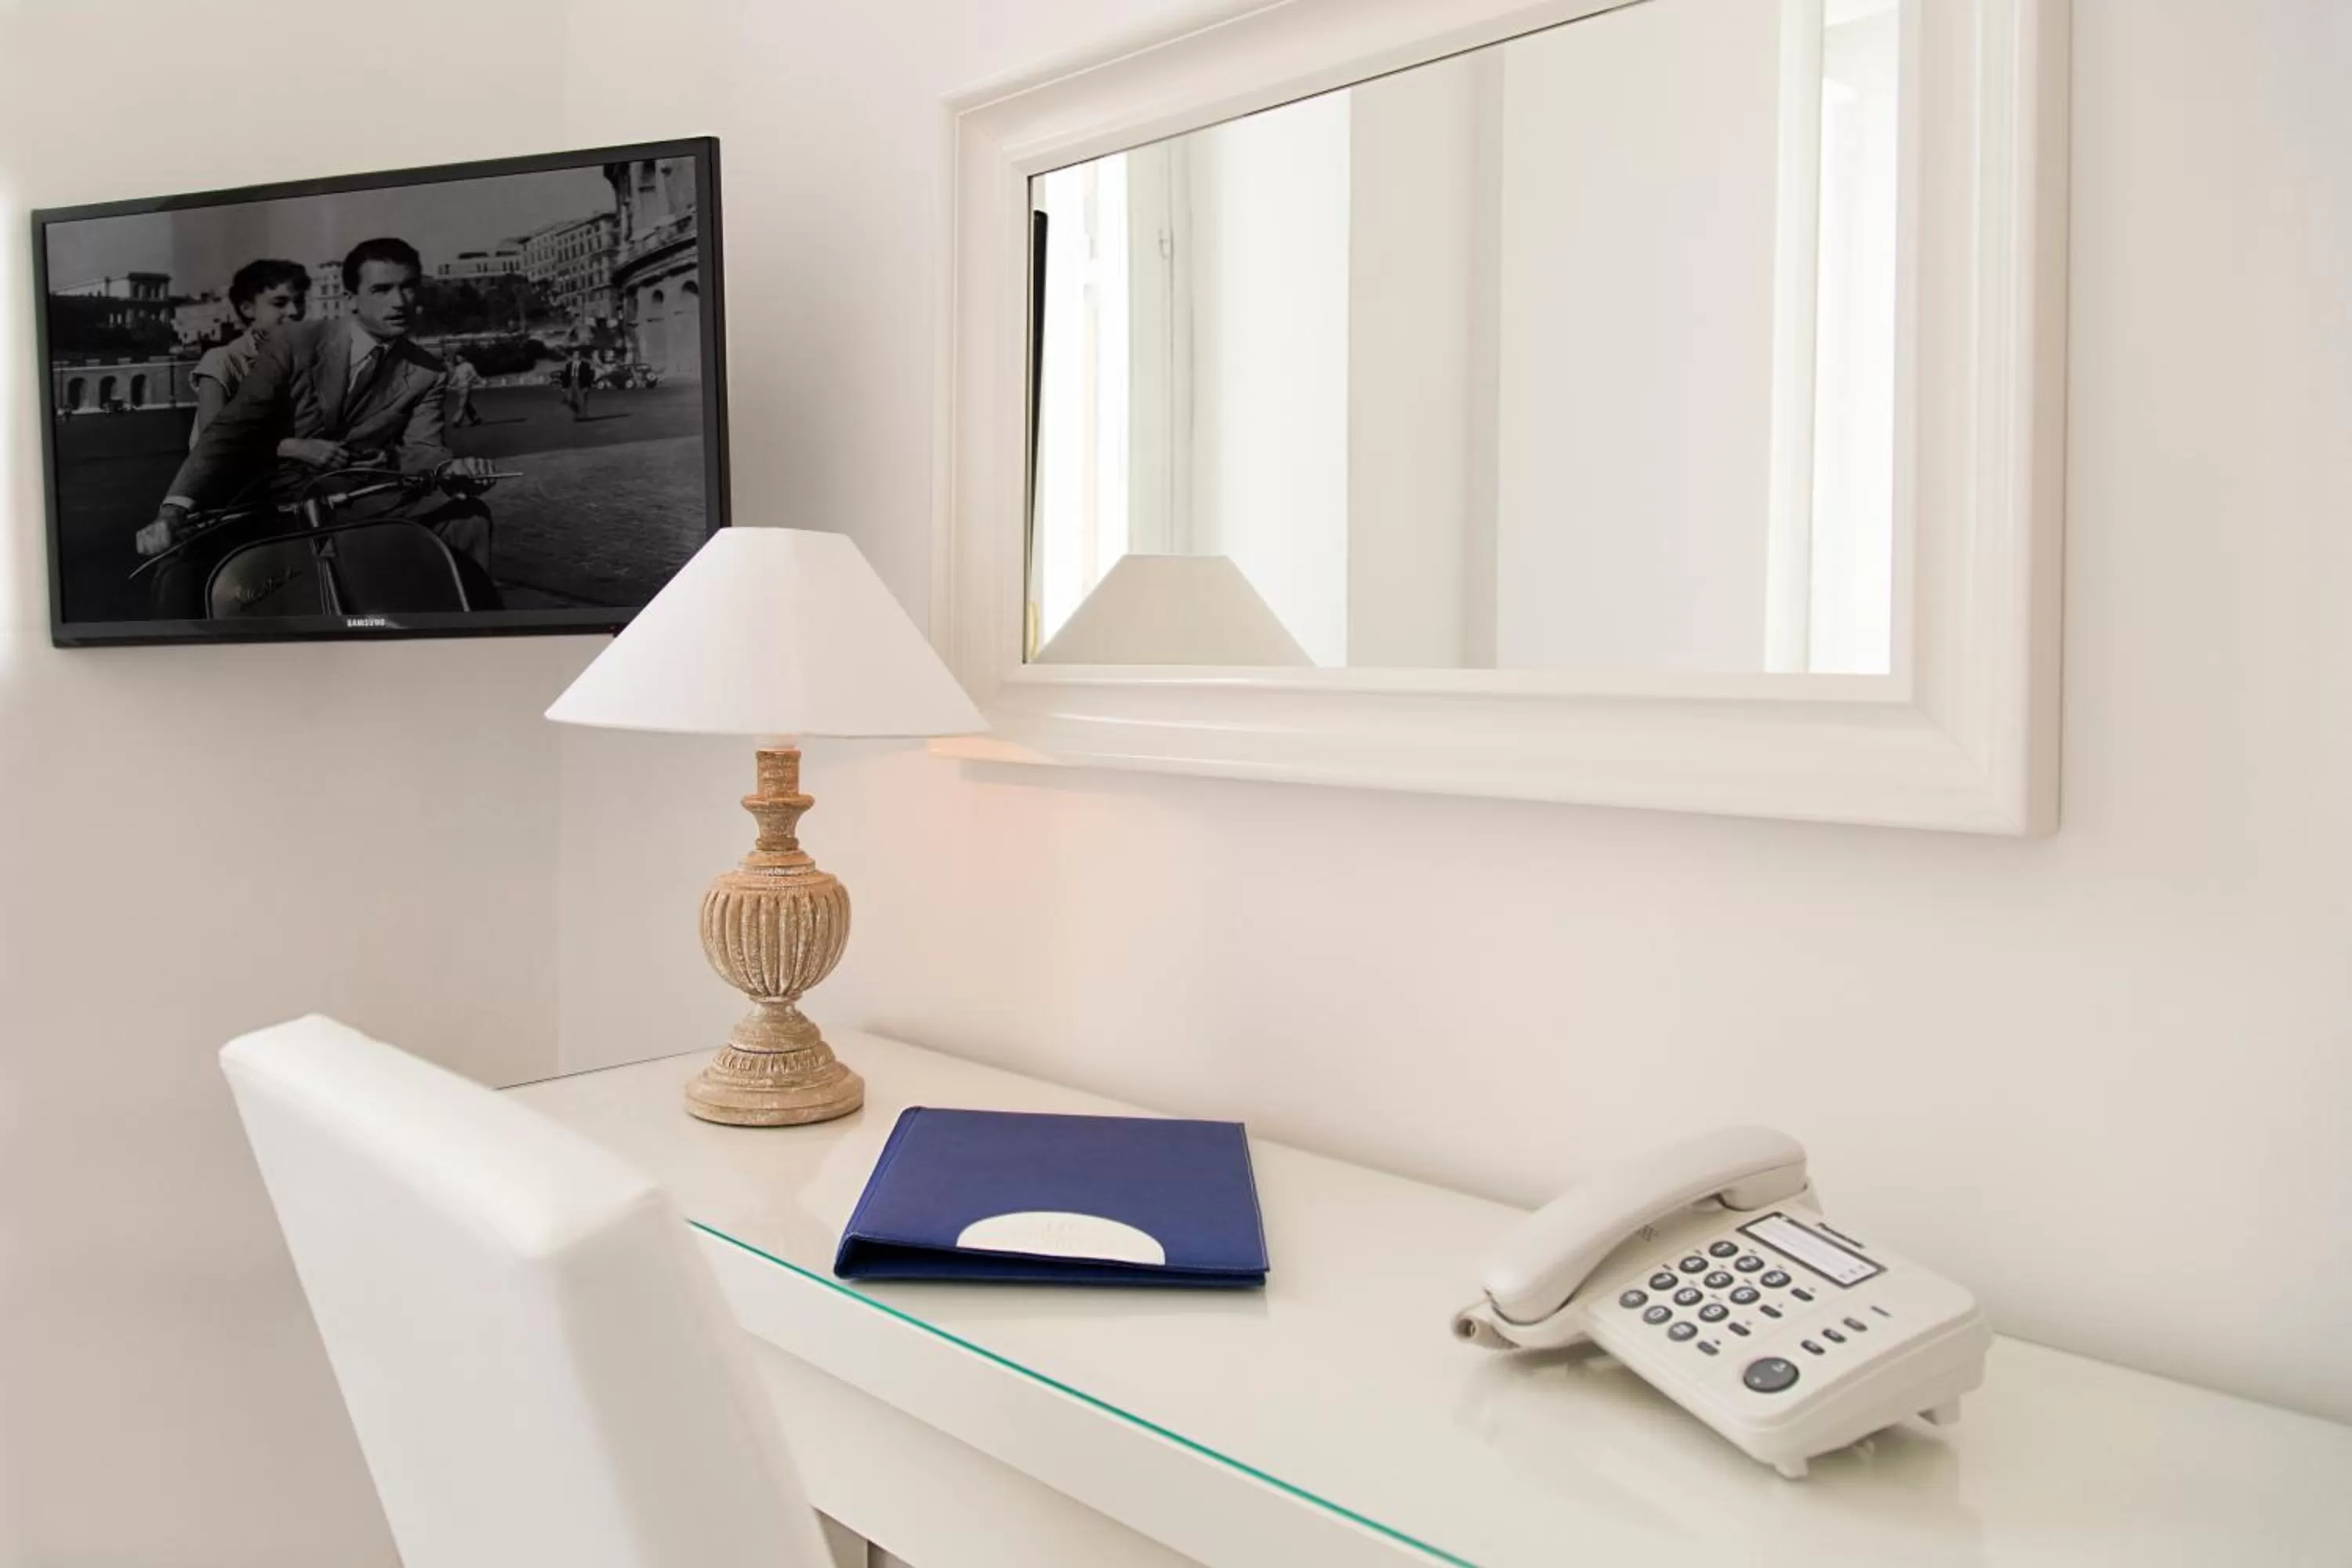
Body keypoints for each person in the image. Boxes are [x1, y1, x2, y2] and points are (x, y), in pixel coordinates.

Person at [136, 237, 503, 615]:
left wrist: (450, 470)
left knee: (467, 518)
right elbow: (230, 430)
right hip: (265, 499)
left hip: (360, 500)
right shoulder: (295, 342)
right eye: (381, 289)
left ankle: (467, 632)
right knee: (181, 574)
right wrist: (173, 512)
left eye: (408, 287)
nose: (399, 302)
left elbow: (424, 449)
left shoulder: (428, 371)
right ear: (351, 299)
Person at [188, 259, 309, 448]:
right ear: (247, 309)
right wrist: (292, 449)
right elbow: (212, 445)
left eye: (299, 302)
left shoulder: (306, 361)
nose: (294, 312)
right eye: (279, 303)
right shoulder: (223, 361)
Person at [445, 352, 484, 427]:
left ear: (464, 358)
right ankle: (476, 419)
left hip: (466, 388)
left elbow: (474, 375)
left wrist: (476, 381)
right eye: (457, 358)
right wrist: (449, 385)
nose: (457, 359)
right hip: (460, 389)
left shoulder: (469, 365)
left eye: (459, 357)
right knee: (466, 405)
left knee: (462, 405)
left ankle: (456, 421)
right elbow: (456, 378)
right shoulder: (458, 368)